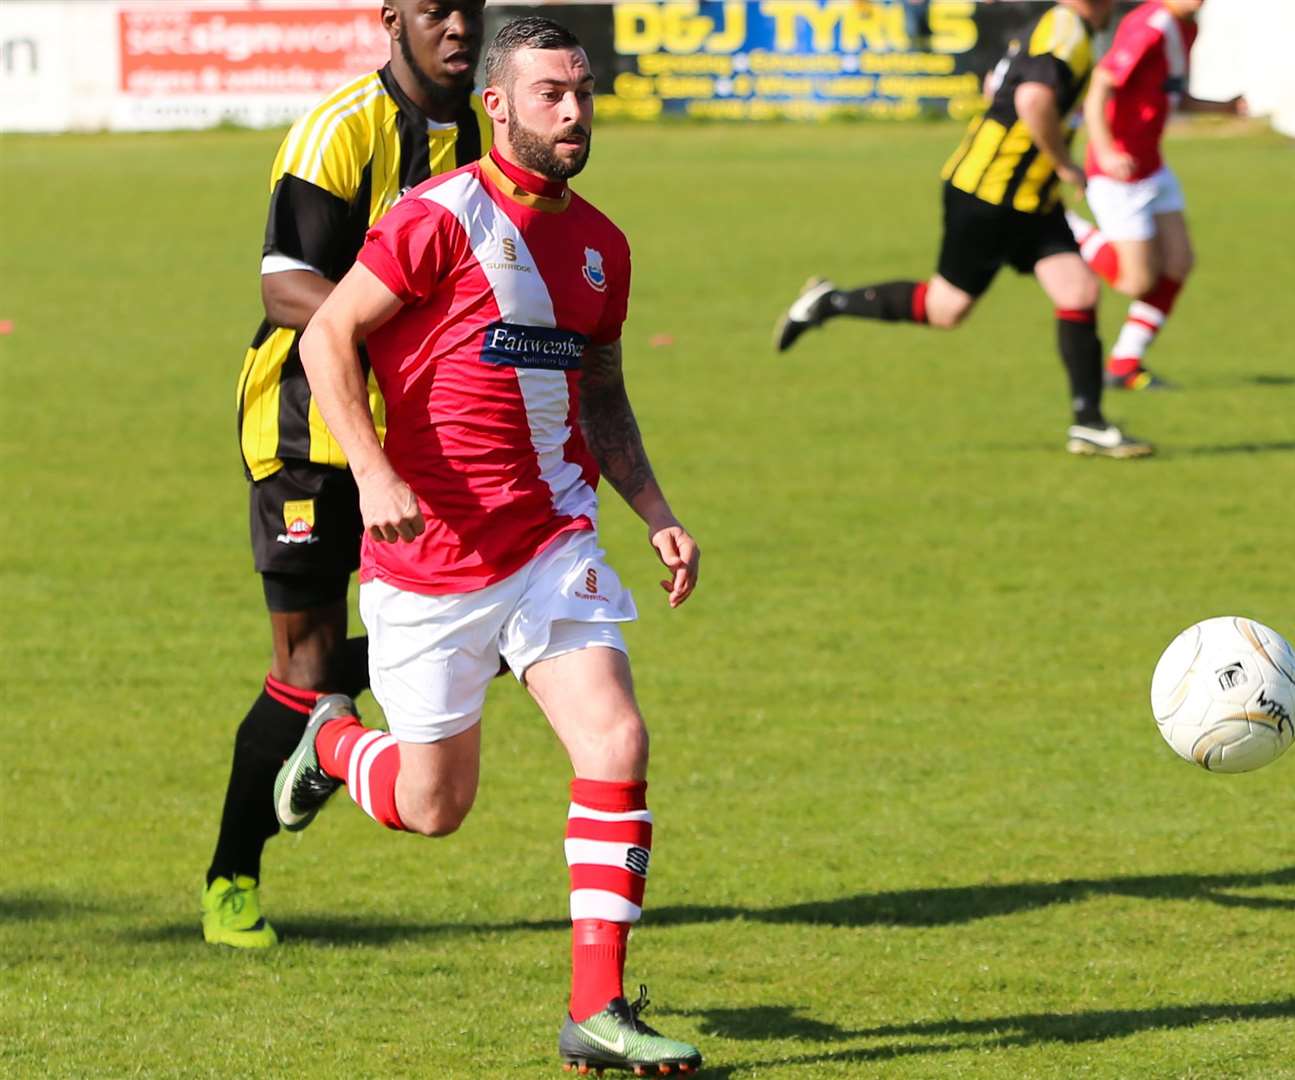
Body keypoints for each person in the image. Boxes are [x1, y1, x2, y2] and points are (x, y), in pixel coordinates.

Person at [277, 16, 704, 1075]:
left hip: (553, 540)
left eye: (585, 92)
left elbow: (601, 388)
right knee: (434, 807)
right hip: (429, 558)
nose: (575, 112)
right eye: (552, 95)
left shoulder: (605, 244)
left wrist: (654, 507)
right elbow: (326, 333)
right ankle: (335, 738)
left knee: (617, 743)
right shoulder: (437, 219)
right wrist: (373, 474)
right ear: (499, 106)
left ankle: (596, 1011)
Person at [204, 0, 490, 949]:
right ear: (391, 19)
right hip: (305, 435)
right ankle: (230, 880)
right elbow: (283, 282)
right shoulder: (339, 130)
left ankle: (323, 741)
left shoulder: (473, 135)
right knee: (306, 662)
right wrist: (400, 326)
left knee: (492, 627)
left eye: (471, 8)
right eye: (436, 9)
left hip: (419, 434)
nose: (458, 26)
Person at [773, 0, 1152, 459]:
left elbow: (1000, 84)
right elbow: (1031, 98)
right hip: (989, 194)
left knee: (1078, 292)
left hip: (1029, 198)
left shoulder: (1057, 27)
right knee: (946, 309)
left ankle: (1088, 422)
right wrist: (1065, 164)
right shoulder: (1066, 30)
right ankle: (829, 303)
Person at [1068, 0, 1243, 390]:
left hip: (1153, 167)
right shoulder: (1150, 25)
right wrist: (1107, 149)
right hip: (1120, 171)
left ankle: (1125, 363)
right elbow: (1100, 86)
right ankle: (1067, 230)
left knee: (1178, 263)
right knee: (1135, 282)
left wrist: (1224, 107)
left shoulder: (1186, 27)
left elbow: (1173, 95)